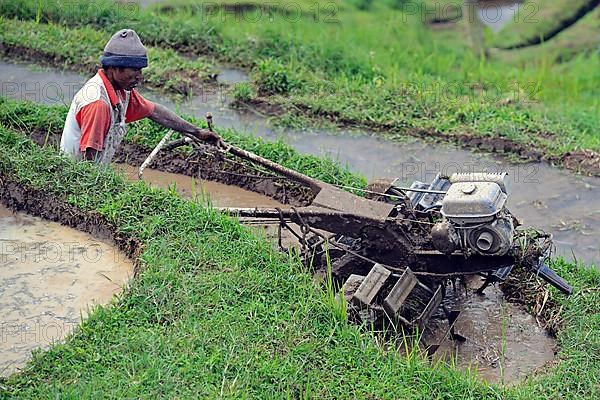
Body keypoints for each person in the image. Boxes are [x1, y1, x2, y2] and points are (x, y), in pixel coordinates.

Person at [60, 29, 222, 165]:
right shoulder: (98, 103)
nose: (139, 77)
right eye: (135, 70)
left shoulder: (121, 92)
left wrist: (197, 132)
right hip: (77, 183)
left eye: (141, 70)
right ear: (114, 68)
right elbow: (88, 162)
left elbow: (154, 111)